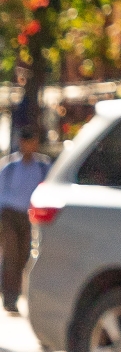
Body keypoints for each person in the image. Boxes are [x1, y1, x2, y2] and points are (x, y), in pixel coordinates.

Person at [2, 124, 51, 315]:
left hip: (32, 217)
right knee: (11, 257)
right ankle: (10, 299)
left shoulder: (43, 166)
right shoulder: (10, 166)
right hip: (10, 216)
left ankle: (22, 295)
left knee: (25, 257)